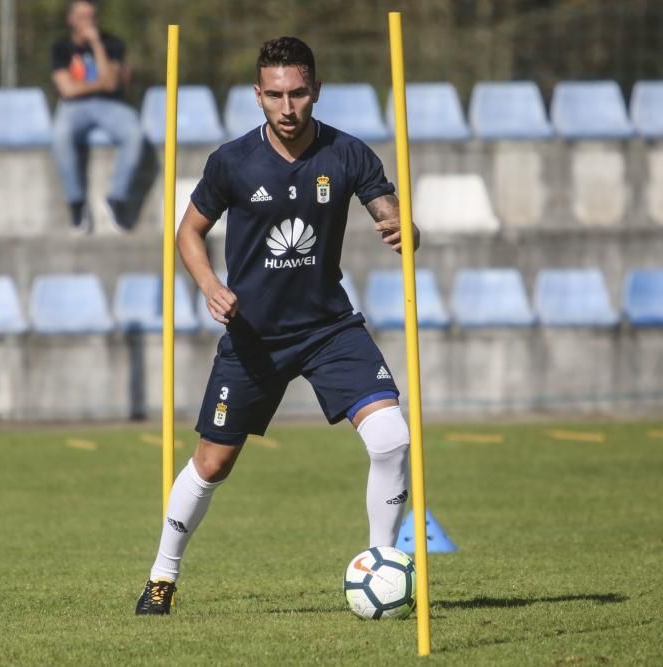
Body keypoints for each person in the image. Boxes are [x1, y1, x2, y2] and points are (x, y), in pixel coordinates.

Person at [135, 36, 420, 615]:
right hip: (253, 337)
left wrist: (403, 232)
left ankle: (383, 565)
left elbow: (392, 216)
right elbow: (187, 232)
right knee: (212, 464)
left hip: (328, 329)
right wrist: (211, 286)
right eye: (274, 96)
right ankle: (162, 576)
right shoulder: (232, 162)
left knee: (393, 437)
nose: (286, 108)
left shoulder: (348, 154)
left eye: (297, 94)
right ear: (258, 95)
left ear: (315, 90)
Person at [51, 0, 143, 231]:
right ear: (71, 19)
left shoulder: (112, 43)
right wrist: (98, 83)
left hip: (110, 105)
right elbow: (66, 90)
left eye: (92, 16)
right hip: (73, 108)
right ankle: (76, 203)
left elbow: (111, 84)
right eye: (82, 17)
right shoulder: (61, 47)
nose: (88, 22)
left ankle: (117, 199)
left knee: (134, 133)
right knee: (61, 133)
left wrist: (96, 44)